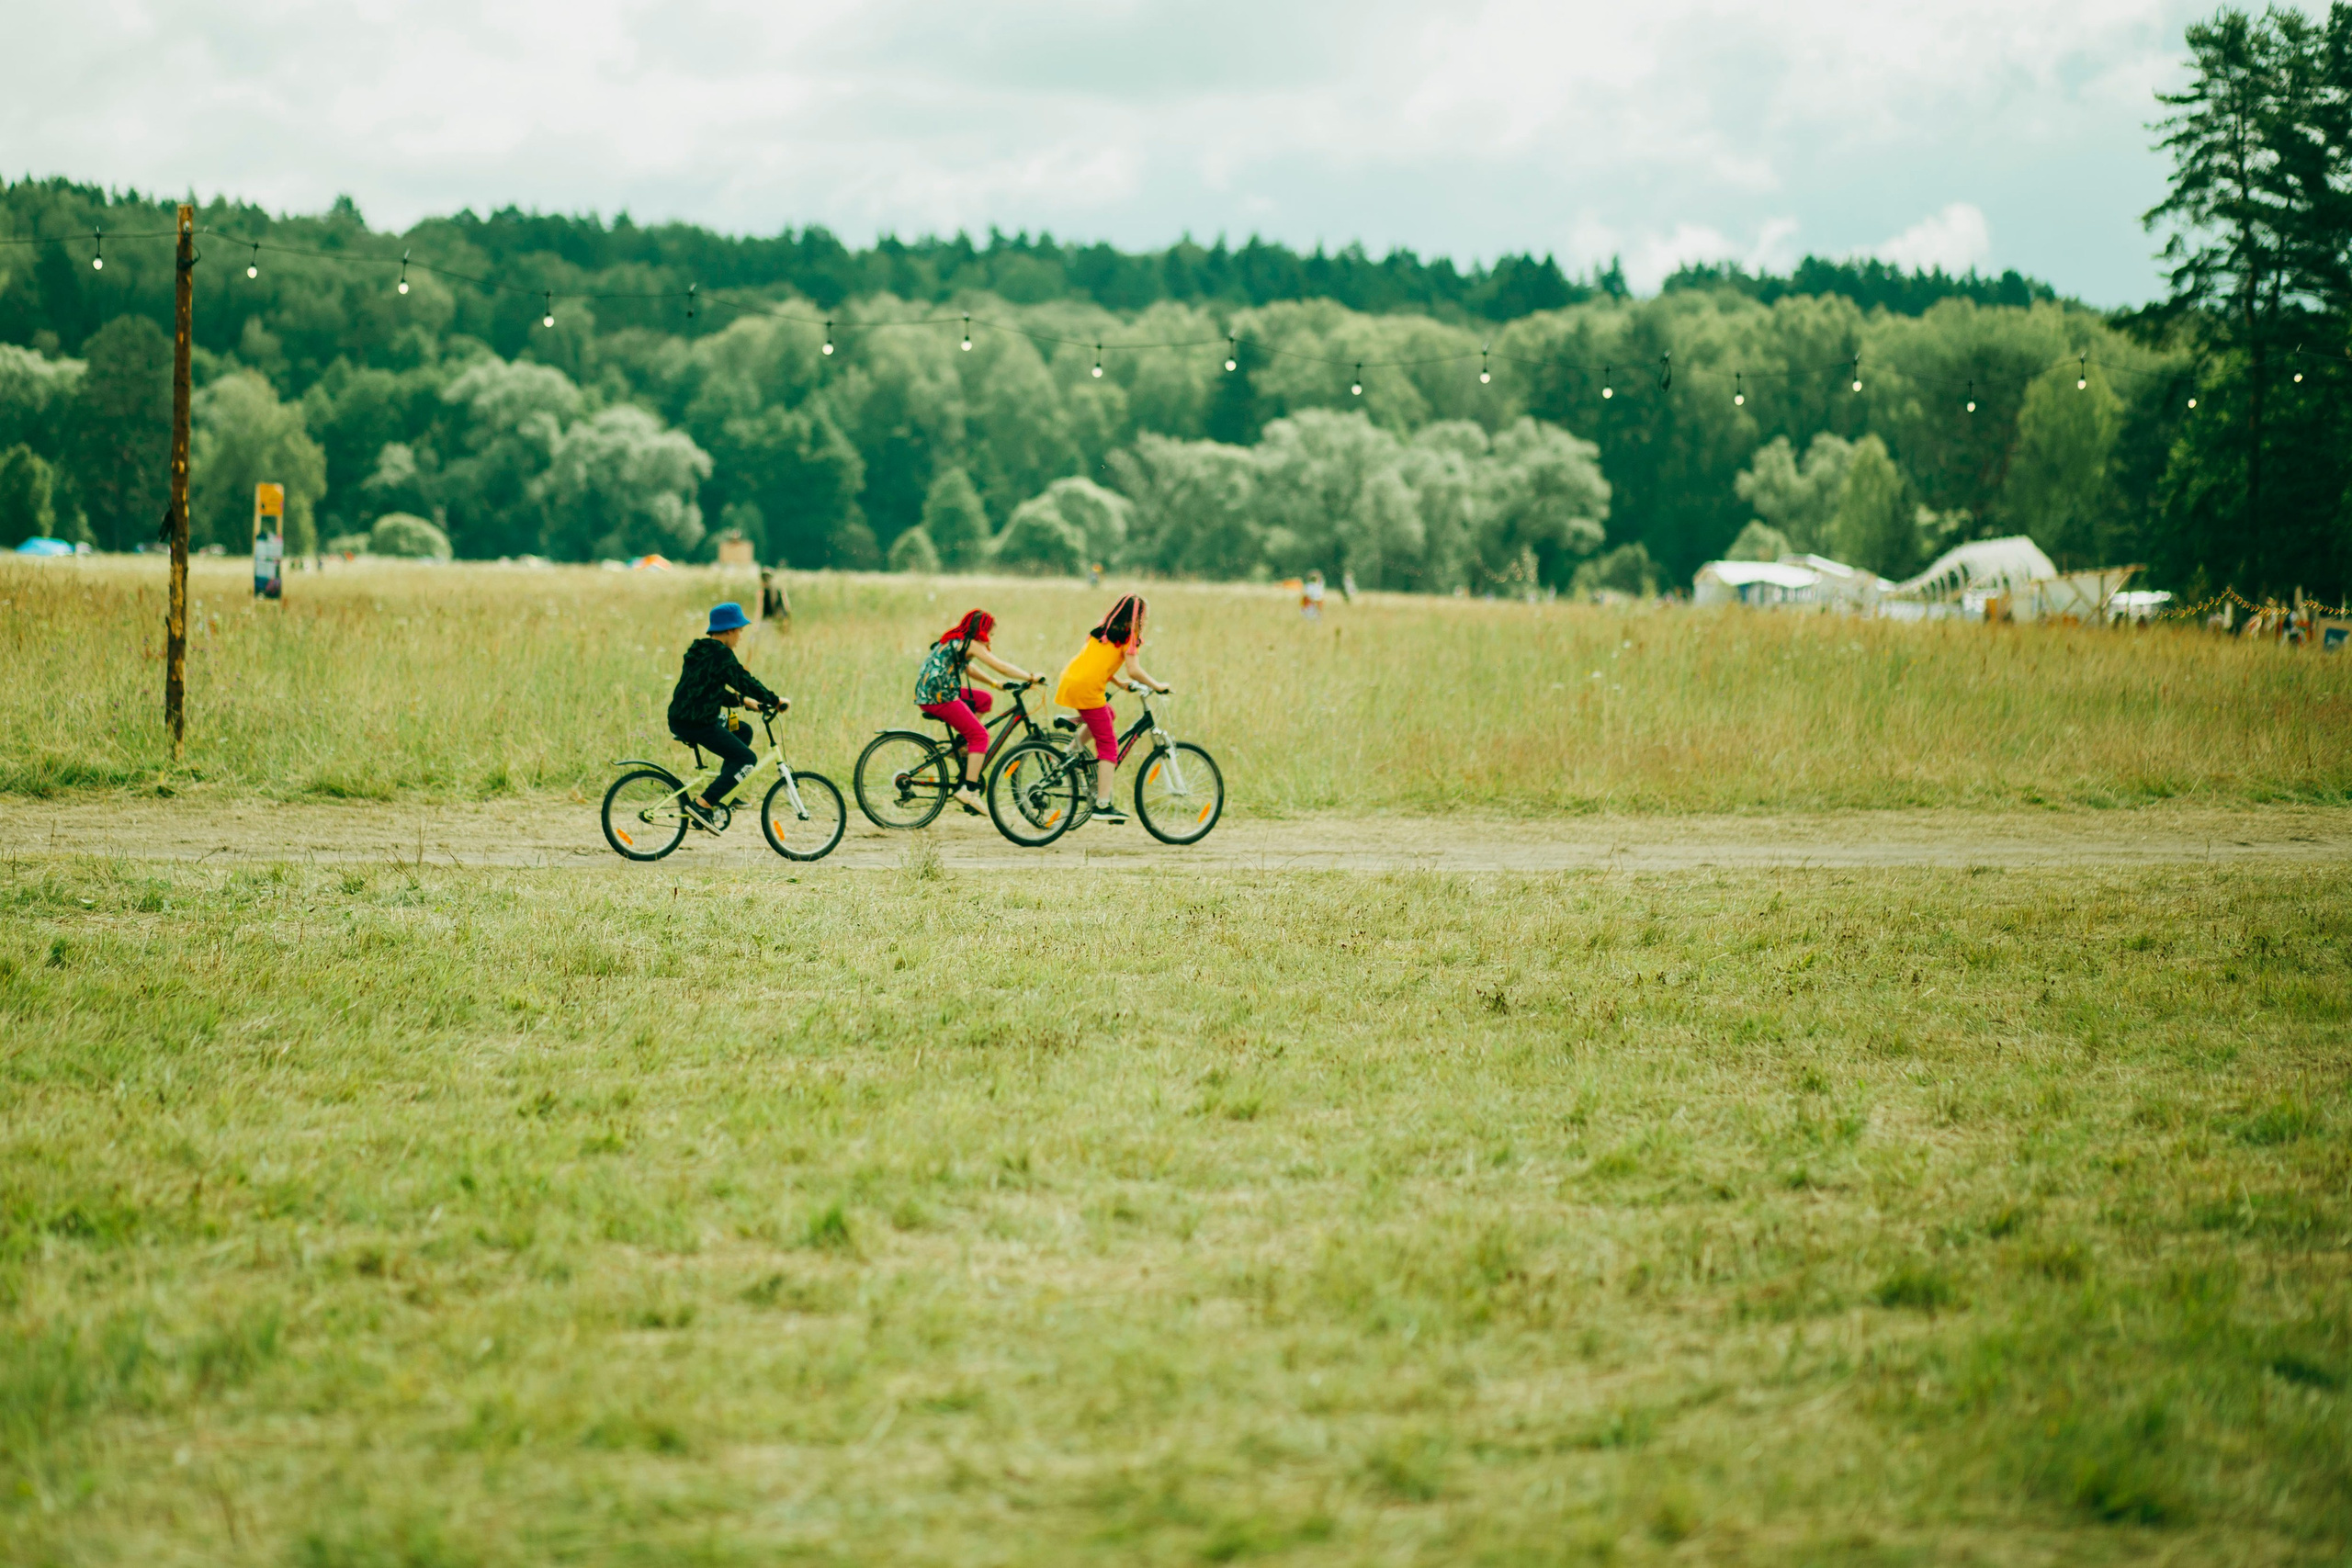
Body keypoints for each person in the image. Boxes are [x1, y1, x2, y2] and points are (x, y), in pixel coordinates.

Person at [667, 603, 785, 830]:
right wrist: (774, 700)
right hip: (697, 722)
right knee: (747, 759)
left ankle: (726, 790)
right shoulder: (721, 654)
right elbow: (743, 680)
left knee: (742, 731)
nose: (740, 636)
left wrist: (742, 701)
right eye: (740, 631)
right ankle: (702, 805)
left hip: (684, 717)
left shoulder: (701, 651)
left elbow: (707, 689)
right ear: (730, 630)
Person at [1053, 592, 1168, 826]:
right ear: (1137, 617)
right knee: (1108, 745)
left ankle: (1070, 753)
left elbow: (1098, 663)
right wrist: (1157, 686)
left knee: (1109, 714)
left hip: (1073, 680)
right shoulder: (1130, 637)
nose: (1144, 621)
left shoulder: (1102, 630)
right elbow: (1134, 670)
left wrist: (1118, 684)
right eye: (1144, 617)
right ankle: (1103, 805)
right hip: (1087, 689)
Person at [917, 609, 1045, 814]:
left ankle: (961, 747)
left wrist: (994, 684)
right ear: (982, 631)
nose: (990, 639)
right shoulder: (972, 644)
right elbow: (1001, 666)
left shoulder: (958, 640)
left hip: (935, 691)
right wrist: (1030, 677)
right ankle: (969, 790)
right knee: (980, 736)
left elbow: (968, 668)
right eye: (990, 634)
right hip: (939, 696)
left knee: (984, 699)